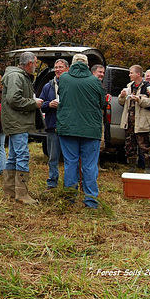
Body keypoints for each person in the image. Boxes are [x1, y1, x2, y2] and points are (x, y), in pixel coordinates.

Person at [57, 54, 106, 209]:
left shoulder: (64, 78)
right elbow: (102, 102)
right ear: (87, 65)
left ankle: (70, 198)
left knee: (70, 163)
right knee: (89, 165)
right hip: (91, 129)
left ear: (71, 64)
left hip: (68, 127)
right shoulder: (95, 81)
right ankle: (91, 200)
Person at [2, 51, 42, 204]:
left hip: (16, 121)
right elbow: (14, 99)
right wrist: (33, 103)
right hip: (17, 122)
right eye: (36, 63)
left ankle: (10, 192)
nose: (36, 66)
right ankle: (22, 194)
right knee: (22, 156)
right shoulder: (16, 76)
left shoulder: (17, 75)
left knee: (13, 156)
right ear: (30, 63)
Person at [119, 65, 150, 173]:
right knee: (129, 145)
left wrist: (139, 100)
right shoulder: (129, 86)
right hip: (129, 121)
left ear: (138, 74)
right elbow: (122, 103)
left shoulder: (147, 87)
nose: (129, 75)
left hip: (141, 122)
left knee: (144, 145)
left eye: (131, 73)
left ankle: (148, 167)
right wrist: (122, 96)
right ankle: (132, 166)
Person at [40, 58, 69, 189]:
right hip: (52, 126)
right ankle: (52, 183)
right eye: (56, 67)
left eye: (60, 67)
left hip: (68, 127)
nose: (57, 69)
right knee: (53, 158)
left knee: (70, 158)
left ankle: (69, 184)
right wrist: (49, 104)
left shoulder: (71, 85)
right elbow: (41, 104)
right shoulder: (48, 86)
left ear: (67, 69)